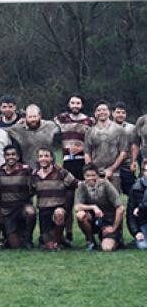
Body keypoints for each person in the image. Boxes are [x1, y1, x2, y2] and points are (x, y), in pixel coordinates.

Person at [54, 94, 93, 242]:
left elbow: (94, 140)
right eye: (72, 103)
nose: (75, 105)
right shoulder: (62, 119)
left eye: (78, 103)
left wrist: (82, 149)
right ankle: (68, 233)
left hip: (83, 162)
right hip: (67, 162)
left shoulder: (89, 121)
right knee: (67, 200)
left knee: (85, 198)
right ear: (69, 105)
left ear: (82, 105)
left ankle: (90, 234)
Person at [32, 147, 78, 250]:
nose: (43, 159)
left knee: (59, 213)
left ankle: (57, 242)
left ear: (52, 158)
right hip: (44, 212)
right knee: (47, 244)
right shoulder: (34, 176)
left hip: (58, 209)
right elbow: (29, 191)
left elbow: (77, 184)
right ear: (37, 159)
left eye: (46, 156)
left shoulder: (61, 172)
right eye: (41, 156)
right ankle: (57, 239)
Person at [75, 163, 124, 252]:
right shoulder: (82, 186)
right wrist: (93, 207)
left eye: (93, 175)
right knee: (80, 215)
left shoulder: (106, 185)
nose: (90, 178)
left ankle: (116, 239)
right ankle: (91, 241)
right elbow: (77, 207)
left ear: (98, 175)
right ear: (83, 176)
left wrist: (113, 228)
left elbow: (120, 208)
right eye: (87, 175)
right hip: (95, 220)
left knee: (106, 248)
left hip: (109, 221)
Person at [0, 145, 36, 249]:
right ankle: (9, 238)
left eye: (13, 154)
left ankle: (28, 239)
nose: (10, 157)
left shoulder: (26, 170)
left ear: (18, 157)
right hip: (7, 210)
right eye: (8, 155)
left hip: (22, 206)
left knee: (30, 212)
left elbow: (40, 176)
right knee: (15, 246)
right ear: (4, 157)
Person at [84, 100, 128, 193]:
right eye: (98, 110)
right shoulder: (90, 131)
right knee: (95, 200)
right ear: (95, 114)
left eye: (104, 109)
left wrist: (111, 169)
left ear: (109, 112)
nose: (101, 112)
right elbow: (87, 153)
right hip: (96, 174)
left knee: (114, 202)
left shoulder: (119, 130)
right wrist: (91, 171)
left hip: (114, 173)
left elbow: (123, 152)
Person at [7, 104, 59, 169]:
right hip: (28, 169)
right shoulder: (18, 129)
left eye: (35, 116)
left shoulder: (50, 126)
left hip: (48, 168)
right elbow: (2, 131)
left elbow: (64, 127)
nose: (32, 120)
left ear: (40, 116)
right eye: (30, 117)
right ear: (26, 117)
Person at [111, 101, 137, 195]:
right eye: (118, 112)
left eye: (123, 113)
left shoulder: (131, 128)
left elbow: (134, 145)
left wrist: (134, 161)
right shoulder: (107, 127)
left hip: (127, 165)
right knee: (113, 194)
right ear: (112, 113)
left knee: (132, 193)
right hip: (111, 166)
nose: (120, 115)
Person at [127, 159, 147, 249]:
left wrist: (140, 207)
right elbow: (130, 213)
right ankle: (139, 238)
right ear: (143, 172)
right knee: (143, 246)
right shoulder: (135, 188)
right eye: (146, 170)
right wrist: (136, 232)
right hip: (143, 223)